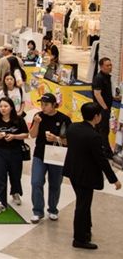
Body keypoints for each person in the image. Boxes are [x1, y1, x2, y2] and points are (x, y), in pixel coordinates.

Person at [63, 102, 121, 250]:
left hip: (73, 171)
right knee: (82, 206)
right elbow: (101, 160)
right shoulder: (94, 136)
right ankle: (79, 239)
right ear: (96, 117)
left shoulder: (73, 128)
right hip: (86, 176)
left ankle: (86, 230)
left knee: (84, 203)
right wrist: (114, 180)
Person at [29, 93, 72, 223]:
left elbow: (69, 141)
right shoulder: (38, 116)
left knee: (55, 184)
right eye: (41, 104)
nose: (43, 107)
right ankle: (37, 211)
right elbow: (32, 135)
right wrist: (36, 123)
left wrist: (56, 138)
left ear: (54, 105)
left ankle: (53, 209)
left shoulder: (64, 119)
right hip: (40, 154)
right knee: (36, 182)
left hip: (56, 155)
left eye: (46, 105)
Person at [0, 97, 29, 214]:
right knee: (0, 176)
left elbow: (26, 134)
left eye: (6, 106)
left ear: (11, 107)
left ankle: (15, 192)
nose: (3, 109)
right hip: (0, 151)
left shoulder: (19, 120)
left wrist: (14, 136)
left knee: (15, 174)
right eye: (1, 106)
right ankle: (0, 202)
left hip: (16, 151)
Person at [92, 57, 121, 159]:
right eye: (107, 65)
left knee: (99, 130)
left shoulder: (107, 77)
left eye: (110, 65)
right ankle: (107, 152)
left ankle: (97, 149)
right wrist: (105, 108)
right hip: (101, 109)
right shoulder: (99, 78)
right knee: (104, 131)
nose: (110, 67)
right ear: (101, 67)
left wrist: (113, 98)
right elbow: (97, 94)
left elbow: (105, 93)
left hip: (104, 108)